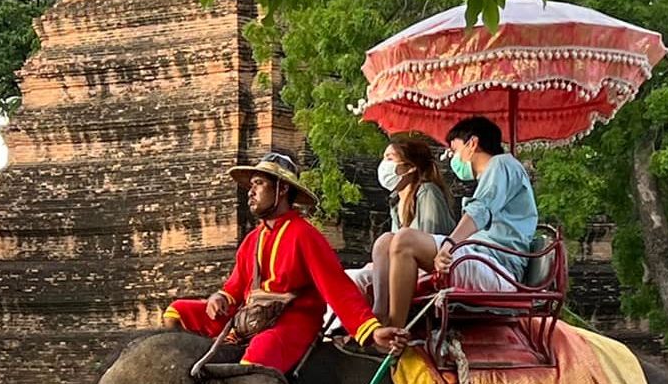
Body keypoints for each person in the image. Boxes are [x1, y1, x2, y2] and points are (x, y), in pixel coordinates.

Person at [165, 152, 407, 370]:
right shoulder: (252, 239)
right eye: (251, 185)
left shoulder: (304, 234)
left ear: (281, 189)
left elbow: (337, 288)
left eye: (259, 184)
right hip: (249, 316)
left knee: (256, 358)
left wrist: (371, 330)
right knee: (178, 311)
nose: (251, 191)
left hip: (292, 321)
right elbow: (235, 288)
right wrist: (220, 297)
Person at [430, 115, 538, 301]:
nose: (454, 159)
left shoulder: (501, 164)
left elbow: (480, 211)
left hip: (496, 265)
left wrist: (450, 244)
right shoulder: (494, 174)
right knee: (387, 243)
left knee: (406, 241)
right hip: (479, 257)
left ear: (472, 143)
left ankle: (396, 327)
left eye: (455, 151)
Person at [354, 136, 458, 321]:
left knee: (378, 253)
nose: (384, 165)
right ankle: (364, 324)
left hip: (428, 263)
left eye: (390, 158)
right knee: (355, 276)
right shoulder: (397, 201)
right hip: (402, 262)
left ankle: (386, 321)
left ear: (409, 167)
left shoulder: (427, 193)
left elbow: (431, 241)